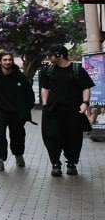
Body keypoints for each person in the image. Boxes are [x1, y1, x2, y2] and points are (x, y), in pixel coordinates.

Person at [38, 46, 94, 177]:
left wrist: (85, 103)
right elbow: (44, 88)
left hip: (73, 111)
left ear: (60, 55)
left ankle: (71, 163)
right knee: (51, 137)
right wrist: (45, 104)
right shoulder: (48, 70)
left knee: (73, 138)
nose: (49, 57)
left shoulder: (77, 69)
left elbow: (86, 87)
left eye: (51, 55)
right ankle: (55, 164)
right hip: (52, 110)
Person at [0, 51, 34, 171]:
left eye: (9, 60)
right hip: (0, 111)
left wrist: (27, 108)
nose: (7, 62)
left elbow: (28, 93)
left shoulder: (19, 76)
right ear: (0, 61)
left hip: (16, 112)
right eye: (5, 60)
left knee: (17, 135)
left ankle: (18, 154)